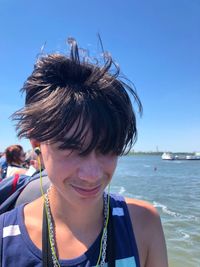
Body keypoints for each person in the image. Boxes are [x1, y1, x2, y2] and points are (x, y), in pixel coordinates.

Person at [0, 38, 168, 267]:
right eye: (70, 148)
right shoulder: (4, 240)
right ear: (36, 142)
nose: (92, 174)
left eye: (107, 148)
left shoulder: (143, 224)